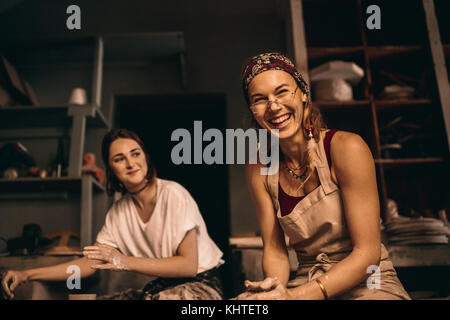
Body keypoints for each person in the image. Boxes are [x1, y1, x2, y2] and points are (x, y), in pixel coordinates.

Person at [236, 52, 410, 300]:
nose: (274, 106)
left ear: (303, 93)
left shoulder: (346, 148)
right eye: (260, 99)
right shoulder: (259, 167)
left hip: (370, 282)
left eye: (282, 91)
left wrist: (295, 297)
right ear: (253, 110)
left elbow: (367, 254)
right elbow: (275, 250)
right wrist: (273, 290)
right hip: (306, 279)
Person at [1, 128, 224, 300]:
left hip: (201, 285)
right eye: (119, 159)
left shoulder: (173, 194)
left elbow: (187, 265)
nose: (130, 163)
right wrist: (27, 274)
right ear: (112, 170)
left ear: (145, 157)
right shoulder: (119, 212)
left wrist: (123, 260)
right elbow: (89, 263)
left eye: (135, 154)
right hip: (164, 286)